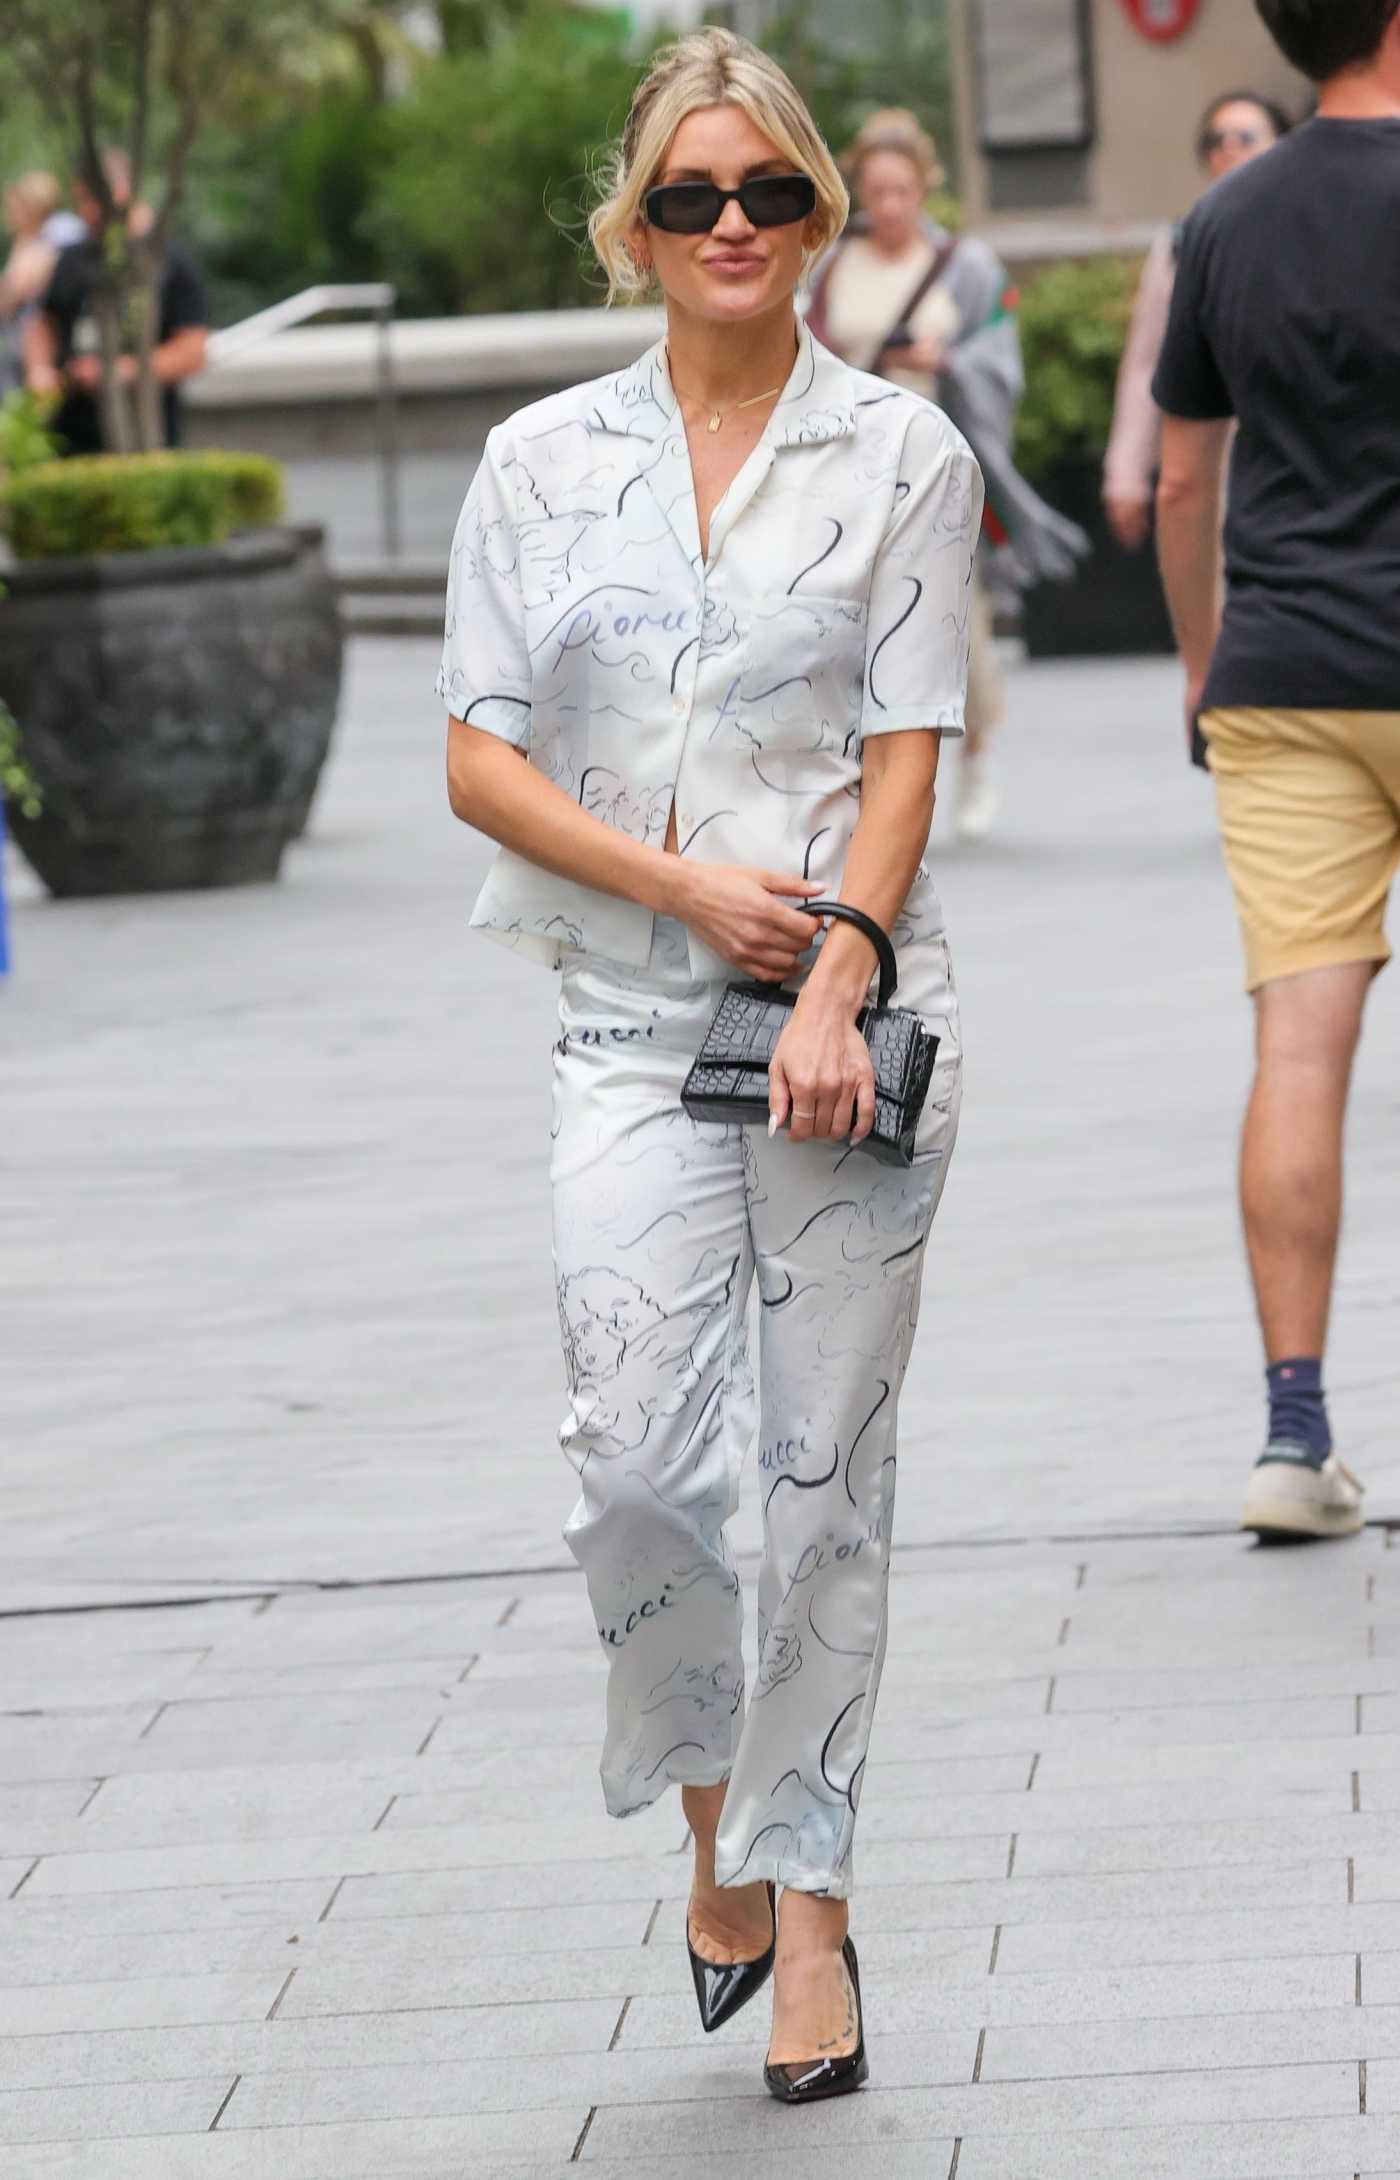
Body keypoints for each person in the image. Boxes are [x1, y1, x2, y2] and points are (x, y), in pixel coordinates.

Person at [441, 27, 978, 2101]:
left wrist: (836, 966)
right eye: (691, 198)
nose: (733, 227)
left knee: (819, 1476)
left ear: (818, 213)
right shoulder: (538, 462)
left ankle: (815, 1909)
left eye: (768, 194)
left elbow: (912, 748)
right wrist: (678, 891)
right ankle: (714, 1842)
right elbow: (480, 754)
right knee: (640, 1471)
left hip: (852, 1020)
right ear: (637, 228)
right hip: (622, 1010)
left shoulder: (901, 456)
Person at [1152, 0, 1400, 1541]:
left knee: (1298, 1046)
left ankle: (1292, 1438)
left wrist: (1200, 660)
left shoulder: (1226, 216)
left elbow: (1185, 470)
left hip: (1288, 677)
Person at [806, 109, 1086, 841]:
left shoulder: (965, 265)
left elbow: (1000, 362)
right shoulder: (835, 264)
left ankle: (977, 753)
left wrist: (948, 362)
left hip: (936, 460)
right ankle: (870, 774)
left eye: (902, 191)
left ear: (924, 186)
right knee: (856, 621)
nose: (889, 207)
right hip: (854, 463)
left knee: (957, 620)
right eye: (876, 192)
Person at [1103, 89, 1292, 553]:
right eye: (1216, 139)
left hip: (1301, 463)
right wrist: (1126, 470)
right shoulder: (1182, 243)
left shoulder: (1313, 231)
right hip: (1214, 461)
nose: (1229, 149)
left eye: (1246, 137)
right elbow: (1146, 360)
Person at [24, 150, 209, 455]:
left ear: (126, 191)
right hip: (70, 436)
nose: (88, 211)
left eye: (94, 198)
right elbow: (43, 324)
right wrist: (40, 369)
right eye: (81, 200)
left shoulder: (168, 262)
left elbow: (193, 351)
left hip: (143, 435)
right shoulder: (73, 258)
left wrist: (120, 371)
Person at [0, 172, 85, 395]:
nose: (9, 215)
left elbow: (16, 287)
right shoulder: (29, 237)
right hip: (23, 337)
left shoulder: (62, 229)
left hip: (49, 338)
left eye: (14, 207)